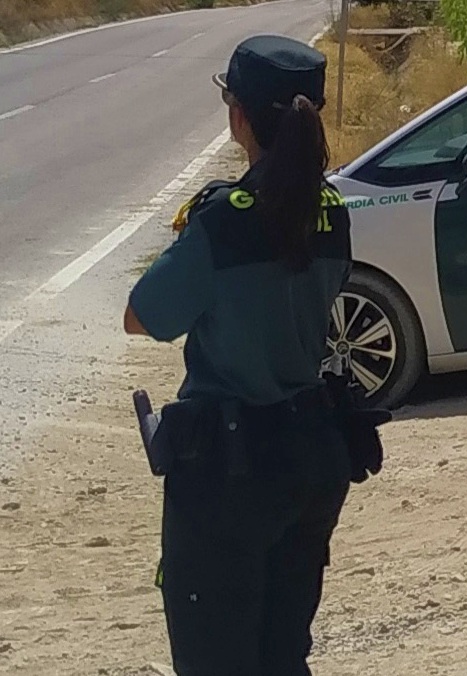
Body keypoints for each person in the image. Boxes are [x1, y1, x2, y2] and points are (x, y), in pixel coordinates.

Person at [123, 35, 361, 676]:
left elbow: (141, 316)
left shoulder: (224, 221)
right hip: (312, 456)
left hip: (229, 474)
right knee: (283, 657)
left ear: (239, 117)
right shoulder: (334, 213)